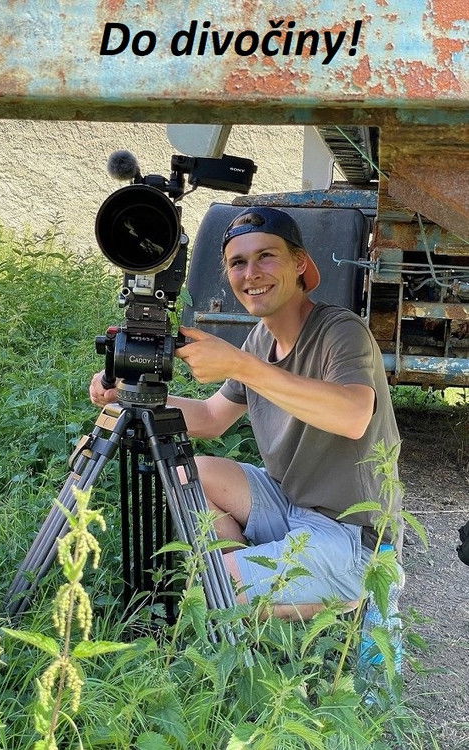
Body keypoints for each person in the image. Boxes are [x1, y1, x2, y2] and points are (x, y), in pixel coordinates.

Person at [90, 206, 403, 620]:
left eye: (266, 256)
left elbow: (353, 416)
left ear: (300, 264)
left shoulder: (341, 330)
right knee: (190, 473)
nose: (251, 273)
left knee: (209, 591)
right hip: (290, 505)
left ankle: (350, 591)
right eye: (238, 263)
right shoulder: (259, 341)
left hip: (352, 532)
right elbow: (211, 418)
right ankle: (251, 582)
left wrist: (240, 365)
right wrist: (127, 394)